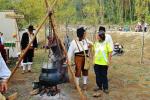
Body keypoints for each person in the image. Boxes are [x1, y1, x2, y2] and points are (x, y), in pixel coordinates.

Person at [93, 31, 113, 97]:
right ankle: (99, 86)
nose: (96, 37)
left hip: (104, 63)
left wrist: (109, 61)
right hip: (96, 63)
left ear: (101, 36)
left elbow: (110, 52)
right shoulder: (95, 43)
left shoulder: (106, 43)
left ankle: (105, 88)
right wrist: (93, 60)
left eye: (97, 36)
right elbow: (94, 51)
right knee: (97, 75)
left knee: (104, 75)